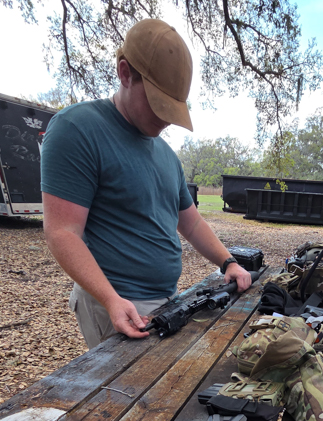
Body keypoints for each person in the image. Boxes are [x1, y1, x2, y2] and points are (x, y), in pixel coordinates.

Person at [41, 19, 251, 349]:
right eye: (158, 103)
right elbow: (62, 232)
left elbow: (192, 222)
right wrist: (111, 299)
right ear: (125, 73)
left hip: (169, 300)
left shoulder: (167, 155)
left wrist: (229, 262)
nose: (166, 119)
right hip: (118, 304)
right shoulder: (77, 129)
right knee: (129, 399)